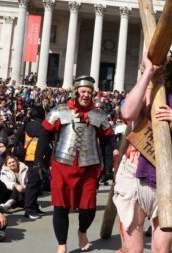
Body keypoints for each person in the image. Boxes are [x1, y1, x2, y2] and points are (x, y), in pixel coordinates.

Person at [113, 45, 172, 253]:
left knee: (161, 251)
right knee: (133, 251)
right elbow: (128, 113)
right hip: (136, 174)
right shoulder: (154, 88)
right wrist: (148, 71)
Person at [46, 75, 113, 253]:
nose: (86, 95)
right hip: (62, 165)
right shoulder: (60, 111)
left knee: (88, 207)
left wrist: (108, 166)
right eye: (83, 91)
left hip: (89, 166)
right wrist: (39, 163)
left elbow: (107, 141)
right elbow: (45, 135)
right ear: (76, 92)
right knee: (61, 207)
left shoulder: (99, 115)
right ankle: (62, 244)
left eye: (89, 92)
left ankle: (82, 231)